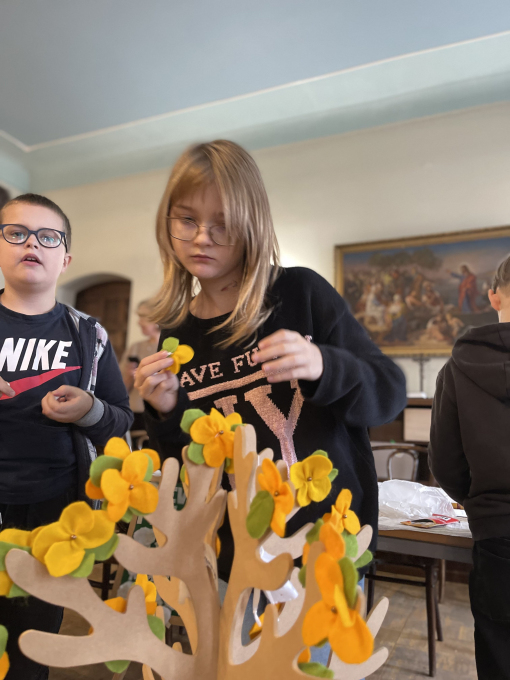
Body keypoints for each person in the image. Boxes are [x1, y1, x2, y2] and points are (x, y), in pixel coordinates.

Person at [134, 139, 406, 581]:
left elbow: (389, 393)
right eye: (187, 220)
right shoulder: (176, 333)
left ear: (252, 225)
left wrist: (323, 365)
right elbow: (189, 464)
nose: (202, 237)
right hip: (231, 556)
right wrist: (166, 411)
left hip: (326, 548)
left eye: (223, 223)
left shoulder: (301, 293)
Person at [0, 193, 132, 680]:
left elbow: (121, 418)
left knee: (34, 642)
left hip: (58, 511)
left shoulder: (89, 334)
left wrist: (88, 410)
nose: (31, 243)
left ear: (65, 259)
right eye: (16, 233)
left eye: (47, 237)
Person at [429, 254, 510, 679]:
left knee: (500, 656)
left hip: (498, 534)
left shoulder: (458, 368)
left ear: (493, 296)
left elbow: (446, 464)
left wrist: (480, 503)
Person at [119, 299, 159, 432]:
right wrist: (129, 376)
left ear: (157, 318)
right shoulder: (135, 347)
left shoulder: (170, 348)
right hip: (135, 413)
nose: (138, 322)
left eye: (142, 317)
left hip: (160, 413)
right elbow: (120, 390)